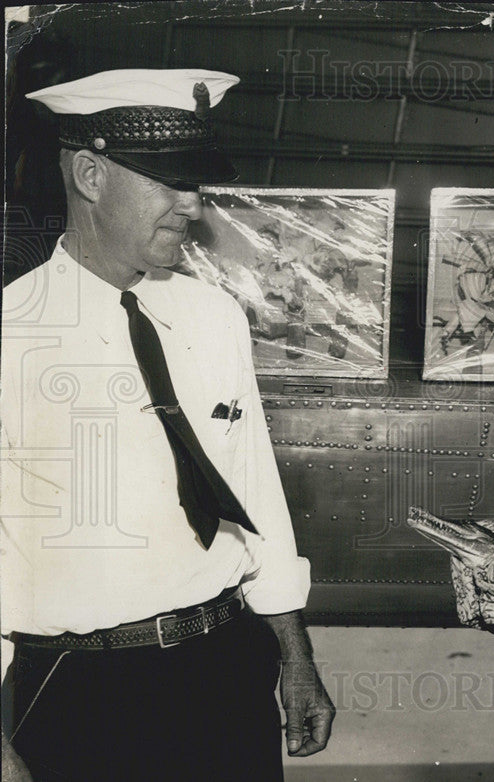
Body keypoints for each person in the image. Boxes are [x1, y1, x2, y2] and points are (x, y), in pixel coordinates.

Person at [1, 69, 334, 781]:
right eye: (169, 181)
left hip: (224, 667)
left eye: (197, 180)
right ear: (89, 175)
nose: (193, 202)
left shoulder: (213, 316)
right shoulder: (11, 336)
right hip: (79, 688)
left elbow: (252, 488)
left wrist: (294, 655)